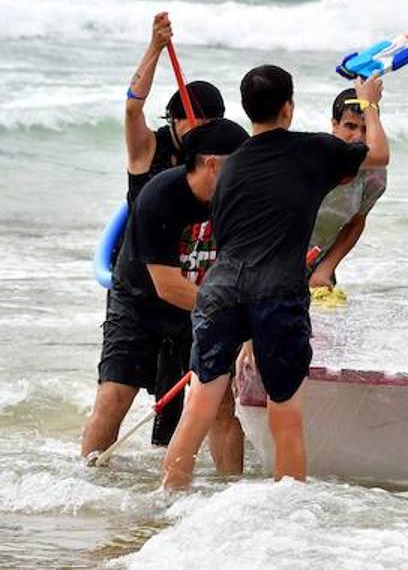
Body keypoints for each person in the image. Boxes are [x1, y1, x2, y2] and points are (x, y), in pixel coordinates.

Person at [161, 65, 389, 489]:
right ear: (289, 107)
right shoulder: (313, 150)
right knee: (285, 416)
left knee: (199, 408)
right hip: (278, 294)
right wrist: (370, 101)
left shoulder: (228, 168)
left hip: (221, 291)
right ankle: (289, 519)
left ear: (248, 109)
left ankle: (166, 501)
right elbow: (377, 155)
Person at [83, 119, 251, 466]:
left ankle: (232, 495)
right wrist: (233, 317)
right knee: (114, 397)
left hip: (206, 307)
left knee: (221, 406)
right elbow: (167, 285)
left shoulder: (240, 200)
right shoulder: (159, 197)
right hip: (139, 303)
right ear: (212, 165)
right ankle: (88, 484)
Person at [125, 13, 227, 205]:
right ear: (175, 118)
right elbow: (132, 108)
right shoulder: (147, 147)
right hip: (146, 232)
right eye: (199, 122)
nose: (204, 132)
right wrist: (155, 46)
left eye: (212, 125)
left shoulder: (214, 156)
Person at [307, 89, 388, 290]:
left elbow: (355, 223)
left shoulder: (375, 177)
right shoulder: (313, 160)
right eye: (350, 126)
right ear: (334, 125)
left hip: (319, 262)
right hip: (276, 259)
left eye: (366, 128)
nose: (358, 137)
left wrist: (325, 269)